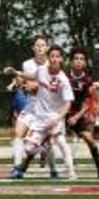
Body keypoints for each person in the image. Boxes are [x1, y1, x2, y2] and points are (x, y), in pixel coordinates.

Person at [23, 45, 77, 179]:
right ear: (48, 57)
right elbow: (30, 75)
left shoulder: (63, 79)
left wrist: (59, 118)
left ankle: (71, 172)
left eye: (57, 56)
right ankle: (45, 149)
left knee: (61, 142)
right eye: (51, 56)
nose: (54, 59)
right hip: (39, 117)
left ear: (61, 59)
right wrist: (15, 72)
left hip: (54, 116)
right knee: (28, 148)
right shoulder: (41, 70)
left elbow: (68, 103)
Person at [5, 35, 52, 178]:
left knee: (47, 140)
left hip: (47, 107)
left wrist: (36, 84)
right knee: (18, 134)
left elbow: (44, 86)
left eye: (43, 45)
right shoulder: (27, 64)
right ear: (33, 48)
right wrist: (33, 84)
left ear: (47, 48)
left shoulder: (51, 63)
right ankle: (17, 167)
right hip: (31, 105)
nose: (40, 48)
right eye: (37, 45)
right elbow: (29, 85)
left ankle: (52, 167)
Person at [66, 47, 99, 178]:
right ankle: (25, 165)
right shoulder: (64, 76)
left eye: (81, 59)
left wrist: (77, 116)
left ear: (85, 63)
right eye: (76, 58)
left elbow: (87, 104)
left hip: (76, 114)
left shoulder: (87, 80)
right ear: (71, 61)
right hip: (61, 112)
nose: (78, 61)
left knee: (90, 140)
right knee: (46, 138)